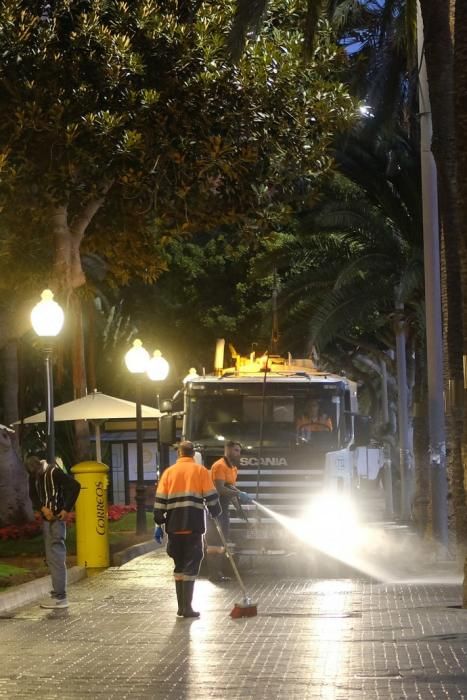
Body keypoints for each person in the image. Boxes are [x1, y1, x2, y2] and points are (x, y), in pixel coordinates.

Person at [154, 440, 221, 618]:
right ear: (193, 455)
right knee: (192, 564)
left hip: (174, 527)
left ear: (179, 454)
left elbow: (160, 499)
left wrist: (159, 519)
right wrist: (216, 511)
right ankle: (187, 607)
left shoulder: (169, 472)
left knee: (179, 566)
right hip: (193, 526)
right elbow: (211, 496)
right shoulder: (200, 471)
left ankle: (181, 607)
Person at [25, 455, 81, 609]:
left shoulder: (54, 472)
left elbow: (75, 486)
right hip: (46, 519)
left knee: (56, 556)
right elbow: (33, 494)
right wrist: (42, 508)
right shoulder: (33, 474)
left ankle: (60, 597)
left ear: (40, 468)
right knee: (52, 557)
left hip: (57, 519)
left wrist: (66, 509)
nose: (35, 478)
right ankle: (58, 594)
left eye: (36, 475)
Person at [205, 440, 251, 583]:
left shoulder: (233, 468)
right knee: (215, 542)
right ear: (228, 450)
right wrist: (238, 494)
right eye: (236, 450)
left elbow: (231, 489)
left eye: (239, 451)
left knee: (222, 542)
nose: (238, 453)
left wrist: (239, 508)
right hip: (215, 509)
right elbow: (220, 489)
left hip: (223, 509)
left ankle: (218, 572)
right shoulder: (219, 466)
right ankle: (213, 573)